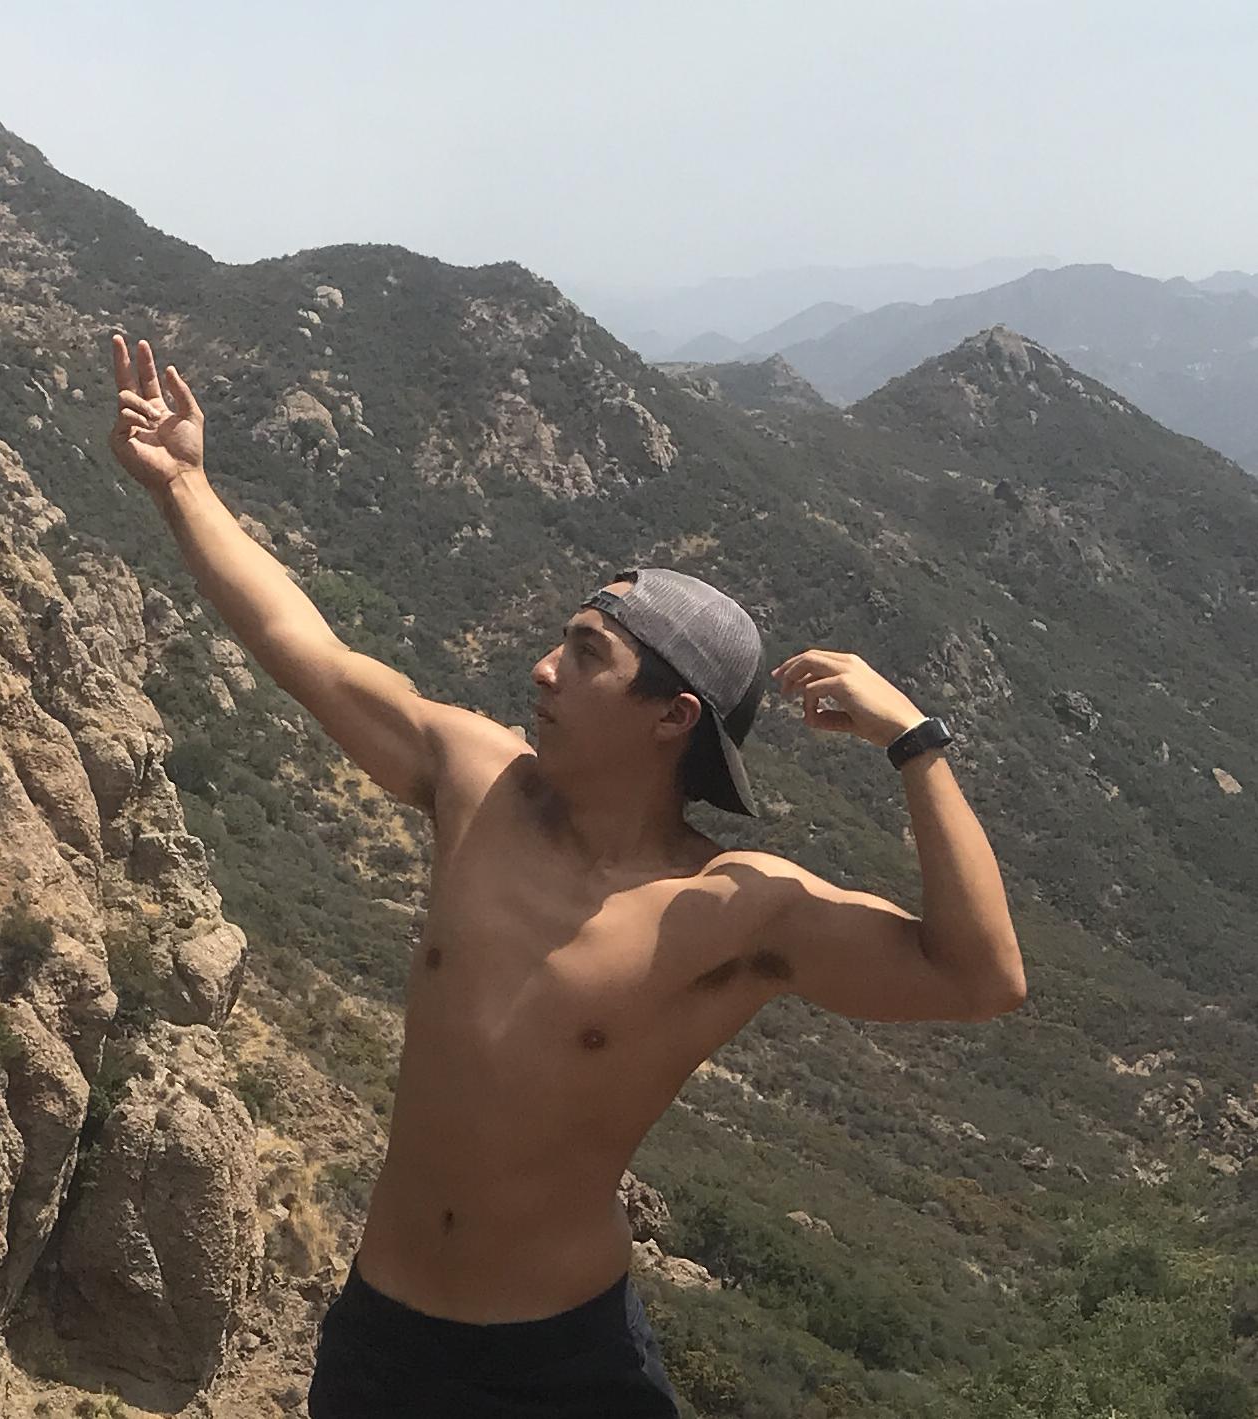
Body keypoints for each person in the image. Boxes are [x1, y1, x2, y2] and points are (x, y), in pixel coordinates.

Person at [108, 334, 1027, 1417]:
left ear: (671, 718)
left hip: (565, 1365)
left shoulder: (733, 910)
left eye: (588, 653)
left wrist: (914, 743)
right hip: (381, 1339)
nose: (543, 667)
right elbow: (302, 646)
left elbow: (980, 978)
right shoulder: (474, 779)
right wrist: (184, 487)